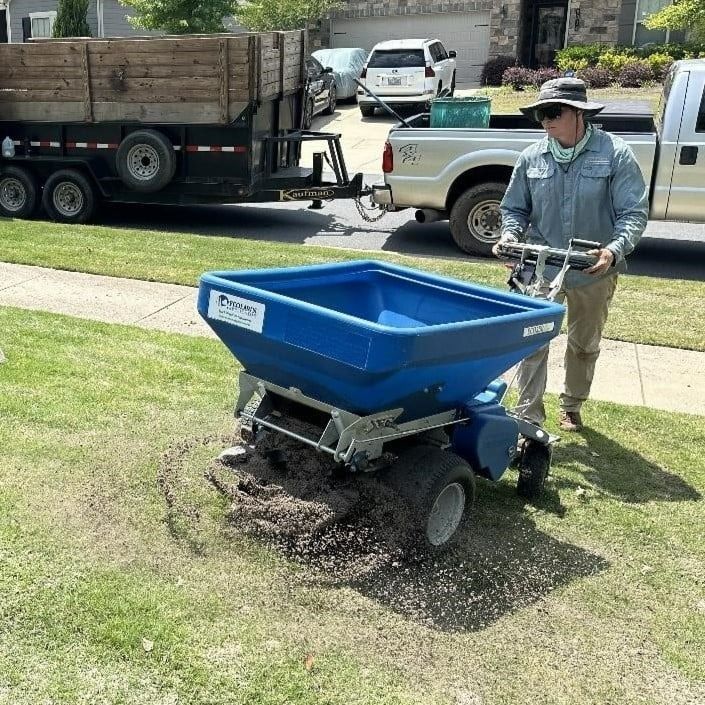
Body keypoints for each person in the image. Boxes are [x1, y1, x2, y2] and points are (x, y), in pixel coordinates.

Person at [493, 77, 648, 432]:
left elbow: (633, 213)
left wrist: (612, 250)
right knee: (532, 340)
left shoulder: (615, 153)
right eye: (539, 113)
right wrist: (510, 236)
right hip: (540, 267)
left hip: (592, 269)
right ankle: (528, 414)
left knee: (583, 343)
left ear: (578, 112)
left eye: (553, 112)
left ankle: (572, 404)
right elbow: (514, 208)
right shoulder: (532, 156)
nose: (545, 120)